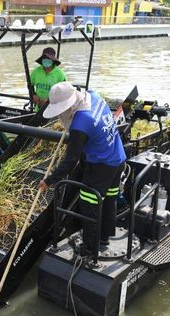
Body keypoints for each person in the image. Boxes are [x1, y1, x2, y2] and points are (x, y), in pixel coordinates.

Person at [38, 82, 126, 256]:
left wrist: (48, 181)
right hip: (118, 157)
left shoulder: (81, 123)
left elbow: (71, 161)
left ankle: (89, 249)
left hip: (101, 166)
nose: (61, 114)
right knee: (109, 199)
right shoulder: (92, 95)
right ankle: (104, 238)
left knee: (89, 204)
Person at [30, 47, 67, 111]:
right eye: (44, 58)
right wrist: (33, 95)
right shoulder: (36, 71)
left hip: (54, 109)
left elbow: (64, 92)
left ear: (53, 60)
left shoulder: (60, 74)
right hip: (38, 108)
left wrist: (49, 100)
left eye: (48, 58)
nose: (46, 60)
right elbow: (30, 85)